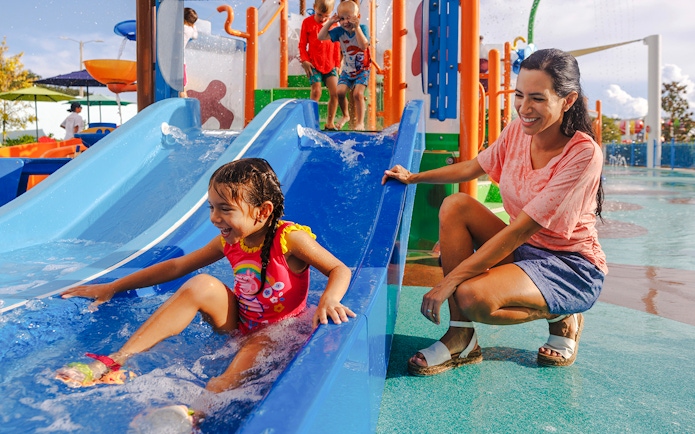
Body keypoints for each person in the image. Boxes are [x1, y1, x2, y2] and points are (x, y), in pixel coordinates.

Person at [382, 48, 607, 376]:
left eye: (538, 99)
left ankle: (561, 313)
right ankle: (462, 337)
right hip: (524, 250)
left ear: (568, 101)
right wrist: (413, 177)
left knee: (472, 295)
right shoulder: (519, 130)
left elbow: (519, 230)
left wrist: (449, 283)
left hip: (569, 266)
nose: (524, 108)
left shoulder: (583, 155)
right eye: (519, 95)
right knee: (456, 205)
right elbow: (475, 166)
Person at [57, 158, 356, 391]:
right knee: (201, 284)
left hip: (277, 331)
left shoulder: (289, 239)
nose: (214, 218)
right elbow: (178, 266)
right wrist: (114, 286)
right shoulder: (230, 240)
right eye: (212, 207)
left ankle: (190, 416)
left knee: (226, 381)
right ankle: (115, 361)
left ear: (262, 211)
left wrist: (330, 299)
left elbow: (338, 268)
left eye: (224, 209)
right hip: (240, 322)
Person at [318, 0, 370, 131]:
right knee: (339, 92)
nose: (345, 22)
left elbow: (364, 45)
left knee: (358, 94)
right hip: (347, 70)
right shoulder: (339, 31)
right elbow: (321, 36)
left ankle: (360, 123)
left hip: (362, 70)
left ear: (357, 17)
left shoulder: (362, 28)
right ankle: (346, 116)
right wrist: (330, 22)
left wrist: (357, 27)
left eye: (349, 18)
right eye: (342, 19)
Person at [298, 0, 342, 130]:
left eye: (326, 16)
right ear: (314, 8)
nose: (323, 19)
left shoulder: (334, 26)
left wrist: (337, 65)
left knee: (335, 93)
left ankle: (330, 123)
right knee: (316, 91)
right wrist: (304, 60)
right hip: (313, 64)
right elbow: (302, 45)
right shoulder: (307, 23)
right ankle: (312, 122)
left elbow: (337, 46)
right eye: (319, 15)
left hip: (330, 65)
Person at [181, 7, 198, 98]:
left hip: (172, 60)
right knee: (182, 87)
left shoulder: (180, 27)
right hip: (181, 61)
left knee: (180, 87)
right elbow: (195, 36)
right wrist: (194, 26)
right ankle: (185, 105)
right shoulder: (190, 30)